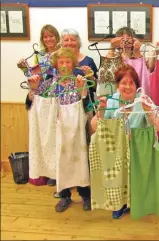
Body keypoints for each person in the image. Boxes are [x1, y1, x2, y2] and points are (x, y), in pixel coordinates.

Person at [90, 64, 159, 219]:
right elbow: (96, 126)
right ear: (117, 85)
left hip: (139, 149)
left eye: (132, 83)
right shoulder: (110, 101)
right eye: (124, 83)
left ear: (137, 86)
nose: (128, 87)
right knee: (119, 178)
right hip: (117, 150)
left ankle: (137, 202)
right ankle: (120, 204)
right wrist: (101, 110)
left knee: (138, 177)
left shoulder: (143, 101)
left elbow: (158, 127)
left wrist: (149, 112)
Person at [28, 47, 91, 213]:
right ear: (56, 64)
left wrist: (81, 89)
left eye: (68, 62)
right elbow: (35, 105)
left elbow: (87, 106)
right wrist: (33, 89)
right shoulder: (49, 84)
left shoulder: (78, 81)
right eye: (61, 61)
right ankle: (64, 196)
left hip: (76, 130)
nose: (64, 64)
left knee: (80, 160)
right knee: (59, 161)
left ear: (73, 64)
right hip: (57, 130)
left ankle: (85, 195)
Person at [19, 24, 61, 187]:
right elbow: (36, 76)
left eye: (51, 35)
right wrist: (25, 70)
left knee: (57, 137)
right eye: (45, 37)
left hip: (58, 98)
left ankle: (58, 172)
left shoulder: (62, 53)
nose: (48, 39)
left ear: (56, 37)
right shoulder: (40, 56)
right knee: (46, 137)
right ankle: (50, 172)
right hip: (43, 100)